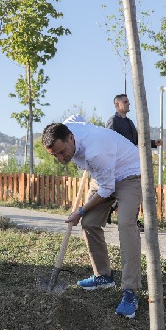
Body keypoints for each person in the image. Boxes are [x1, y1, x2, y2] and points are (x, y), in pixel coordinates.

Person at [42, 116, 143, 318]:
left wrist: (80, 211)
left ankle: (130, 291)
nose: (61, 159)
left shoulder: (95, 152)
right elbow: (75, 118)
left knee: (125, 224)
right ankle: (103, 276)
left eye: (62, 152)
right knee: (89, 223)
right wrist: (84, 215)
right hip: (102, 176)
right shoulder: (66, 128)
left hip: (129, 174)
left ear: (71, 138)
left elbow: (107, 190)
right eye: (55, 155)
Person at [105, 94, 162, 230]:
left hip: (131, 163)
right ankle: (116, 214)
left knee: (132, 191)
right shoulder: (113, 122)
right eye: (125, 102)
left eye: (128, 102)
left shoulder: (129, 122)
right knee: (124, 191)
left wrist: (154, 143)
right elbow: (109, 142)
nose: (128, 104)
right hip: (119, 164)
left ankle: (115, 212)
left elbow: (138, 140)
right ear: (117, 105)